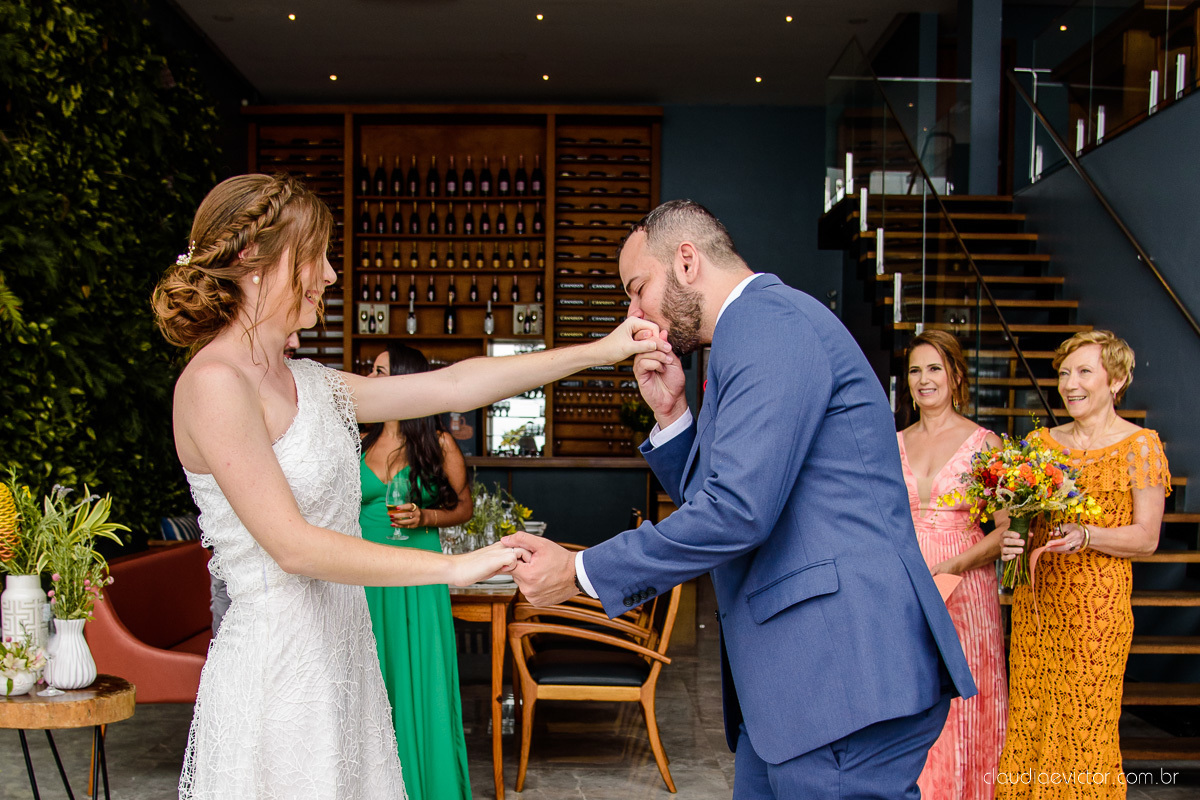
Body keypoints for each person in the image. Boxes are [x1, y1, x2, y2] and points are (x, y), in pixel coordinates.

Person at [151, 172, 668, 800]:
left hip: (344, 648)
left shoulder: (311, 383)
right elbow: (293, 547)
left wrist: (597, 351)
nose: (332, 275)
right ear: (253, 264)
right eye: (316, 256)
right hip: (276, 668)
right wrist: (456, 568)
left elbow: (454, 387)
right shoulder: (213, 384)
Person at [506, 199, 976, 799]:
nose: (634, 314)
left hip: (841, 676)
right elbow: (733, 496)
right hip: (797, 685)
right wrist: (674, 415)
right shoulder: (747, 332)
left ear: (685, 260)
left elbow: (737, 512)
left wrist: (579, 571)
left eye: (637, 288)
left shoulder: (766, 322)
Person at [995, 330, 1169, 799]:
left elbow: (1147, 538)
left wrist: (1089, 536)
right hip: (1038, 608)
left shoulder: (1140, 447)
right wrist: (1011, 536)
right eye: (1064, 373)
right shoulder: (1040, 443)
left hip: (1098, 614)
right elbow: (1012, 515)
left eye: (1084, 371)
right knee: (1031, 722)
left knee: (1084, 728)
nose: (1070, 383)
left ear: (1116, 380)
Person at [360, 344, 474, 800]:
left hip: (420, 576)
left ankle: (428, 785)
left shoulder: (438, 442)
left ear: (406, 378)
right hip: (365, 577)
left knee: (422, 681)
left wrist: (426, 518)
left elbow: (463, 506)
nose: (369, 376)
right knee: (374, 679)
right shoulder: (360, 441)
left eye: (380, 371)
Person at [899, 330, 1008, 800]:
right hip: (907, 587)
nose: (924, 380)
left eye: (934, 369)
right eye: (915, 370)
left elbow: (1006, 532)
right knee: (912, 697)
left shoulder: (986, 445)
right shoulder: (893, 441)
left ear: (957, 376)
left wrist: (953, 565)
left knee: (961, 701)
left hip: (964, 589)